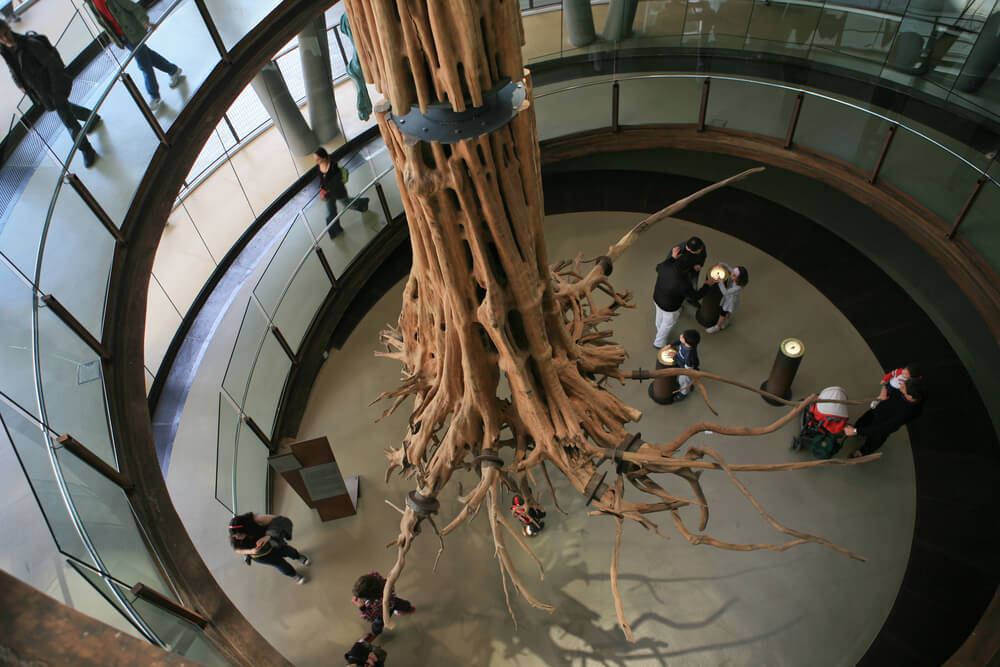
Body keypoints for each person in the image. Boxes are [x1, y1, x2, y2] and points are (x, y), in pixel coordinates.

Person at [0, 20, 99, 167]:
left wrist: (57, 91)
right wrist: (20, 84)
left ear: (9, 28)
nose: (5, 39)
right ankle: (91, 117)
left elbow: (53, 65)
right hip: (41, 91)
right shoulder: (5, 51)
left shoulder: (30, 44)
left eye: (5, 34)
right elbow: (13, 69)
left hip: (53, 87)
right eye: (1, 37)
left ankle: (86, 149)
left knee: (68, 121)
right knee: (65, 109)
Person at [85, 0, 183, 111]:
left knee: (144, 65)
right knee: (148, 56)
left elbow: (131, 6)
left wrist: (144, 21)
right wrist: (116, 40)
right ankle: (173, 70)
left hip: (132, 32)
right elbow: (104, 23)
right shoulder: (91, 2)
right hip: (123, 37)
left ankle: (154, 96)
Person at [846, 377, 924, 457]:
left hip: (882, 426)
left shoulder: (907, 413)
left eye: (903, 387)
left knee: (875, 439)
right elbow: (890, 387)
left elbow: (882, 428)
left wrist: (856, 431)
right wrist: (884, 391)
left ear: (910, 397)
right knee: (863, 421)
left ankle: (862, 452)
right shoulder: (906, 390)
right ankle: (857, 431)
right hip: (877, 411)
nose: (900, 385)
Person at [228, 513, 310, 584]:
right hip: (261, 556)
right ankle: (294, 575)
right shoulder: (235, 539)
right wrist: (251, 551)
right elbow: (237, 550)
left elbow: (278, 520)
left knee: (288, 550)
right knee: (281, 564)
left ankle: (298, 556)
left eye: (239, 534)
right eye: (234, 536)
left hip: (271, 543)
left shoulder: (256, 520)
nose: (237, 537)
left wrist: (267, 537)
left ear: (246, 529)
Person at [314, 147, 369, 237]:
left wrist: (326, 195)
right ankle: (335, 231)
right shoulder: (320, 166)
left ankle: (363, 203)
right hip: (328, 193)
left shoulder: (334, 167)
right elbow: (322, 180)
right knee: (330, 212)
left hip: (338, 191)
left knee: (348, 204)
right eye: (316, 159)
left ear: (323, 157)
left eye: (318, 159)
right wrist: (323, 190)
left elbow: (337, 184)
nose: (317, 161)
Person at [352, 571, 414, 642]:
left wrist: (362, 608)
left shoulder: (374, 603)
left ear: (370, 597)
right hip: (393, 600)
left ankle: (374, 634)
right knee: (402, 604)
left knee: (377, 624)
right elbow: (373, 573)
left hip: (383, 612)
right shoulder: (376, 577)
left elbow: (372, 617)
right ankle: (409, 609)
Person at [653, 252, 698, 349]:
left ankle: (659, 330)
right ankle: (659, 343)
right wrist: (707, 285)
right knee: (667, 324)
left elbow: (658, 267)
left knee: (659, 316)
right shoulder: (684, 283)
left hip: (657, 298)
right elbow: (694, 296)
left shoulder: (666, 266)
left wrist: (672, 258)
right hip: (670, 307)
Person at [701, 264, 749, 333]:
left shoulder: (738, 287)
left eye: (734, 275)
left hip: (730, 300)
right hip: (729, 298)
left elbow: (726, 292)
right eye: (732, 272)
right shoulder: (735, 273)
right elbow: (729, 268)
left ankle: (717, 326)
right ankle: (726, 321)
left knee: (723, 312)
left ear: (739, 279)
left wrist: (720, 281)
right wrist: (722, 264)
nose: (731, 274)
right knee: (728, 311)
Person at [669, 236, 707, 305]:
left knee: (693, 284)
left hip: (692, 270)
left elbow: (703, 256)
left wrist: (700, 264)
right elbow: (668, 265)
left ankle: (690, 299)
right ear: (687, 247)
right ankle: (686, 298)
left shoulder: (701, 247)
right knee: (684, 290)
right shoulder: (677, 250)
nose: (699, 251)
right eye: (690, 251)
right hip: (680, 274)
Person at [666, 329, 701, 400]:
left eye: (682, 336)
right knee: (686, 379)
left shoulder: (689, 355)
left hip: (687, 369)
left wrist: (675, 357)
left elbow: (686, 368)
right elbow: (679, 341)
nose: (681, 335)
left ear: (685, 341)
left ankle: (683, 393)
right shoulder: (688, 343)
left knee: (683, 380)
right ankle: (689, 383)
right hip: (683, 362)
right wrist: (670, 345)